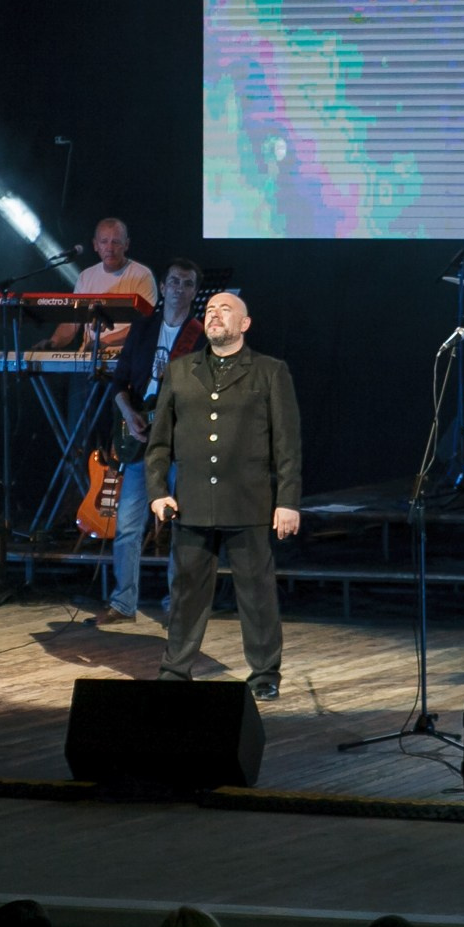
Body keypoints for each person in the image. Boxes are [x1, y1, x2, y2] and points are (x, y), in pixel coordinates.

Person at [146, 289, 302, 700]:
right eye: (211, 310)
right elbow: (159, 442)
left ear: (244, 324)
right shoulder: (180, 372)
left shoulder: (269, 371)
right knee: (186, 594)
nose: (215, 315)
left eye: (225, 309)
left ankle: (265, 673)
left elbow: (287, 444)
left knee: (257, 594)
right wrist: (158, 492)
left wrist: (287, 500)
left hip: (249, 502)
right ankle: (175, 669)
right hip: (192, 502)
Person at [102, 258, 206, 624]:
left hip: (179, 444)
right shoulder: (143, 329)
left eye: (187, 283)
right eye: (174, 281)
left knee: (182, 528)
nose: (179, 288)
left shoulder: (201, 336)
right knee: (128, 526)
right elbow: (117, 384)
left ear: (195, 291)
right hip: (139, 438)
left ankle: (177, 605)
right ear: (163, 287)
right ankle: (122, 603)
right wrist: (129, 415)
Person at [48, 218, 158, 353]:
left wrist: (105, 342)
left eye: (116, 242)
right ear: (95, 245)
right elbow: (73, 322)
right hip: (88, 358)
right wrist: (53, 342)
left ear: (126, 244)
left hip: (125, 359)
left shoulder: (142, 275)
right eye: (104, 242)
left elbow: (146, 324)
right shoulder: (85, 276)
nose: (110, 248)